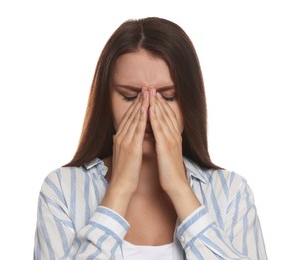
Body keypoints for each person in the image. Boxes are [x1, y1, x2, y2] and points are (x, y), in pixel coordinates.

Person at [34, 17, 267, 259]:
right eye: (129, 96)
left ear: (189, 102)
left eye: (167, 97)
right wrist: (120, 188)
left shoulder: (232, 193)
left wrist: (179, 188)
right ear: (107, 101)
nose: (148, 111)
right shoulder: (61, 189)